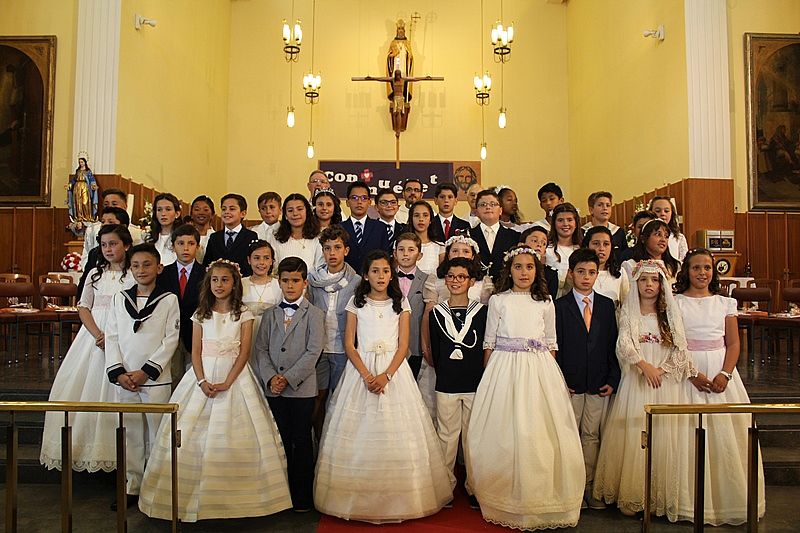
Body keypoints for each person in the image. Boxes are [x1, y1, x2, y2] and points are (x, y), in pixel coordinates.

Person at [138, 259, 292, 522]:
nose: (219, 285)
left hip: (235, 377)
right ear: (208, 284)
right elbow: (195, 351)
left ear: (234, 285)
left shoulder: (243, 313)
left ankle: (239, 502)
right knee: (190, 432)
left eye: (225, 280)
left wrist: (229, 381)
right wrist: (201, 381)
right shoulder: (201, 313)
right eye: (215, 280)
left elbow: (244, 351)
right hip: (203, 376)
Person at [314, 250, 452, 523]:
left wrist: (386, 375)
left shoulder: (401, 304)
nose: (380, 276)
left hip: (393, 371)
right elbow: (349, 344)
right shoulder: (357, 303)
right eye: (375, 271)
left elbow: (403, 346)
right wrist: (367, 375)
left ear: (392, 275)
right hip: (361, 371)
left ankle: (399, 497)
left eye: (385, 271)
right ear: (366, 275)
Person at [467, 244, 584, 530]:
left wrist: (549, 375)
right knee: (505, 429)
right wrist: (489, 376)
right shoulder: (499, 300)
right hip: (504, 368)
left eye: (529, 267)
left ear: (537, 270)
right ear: (509, 270)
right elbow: (489, 341)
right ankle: (504, 493)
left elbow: (552, 342)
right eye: (518, 267)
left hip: (538, 369)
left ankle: (540, 494)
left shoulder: (545, 302)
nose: (524, 272)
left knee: (538, 429)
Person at [593, 259, 712, 519]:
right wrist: (643, 365)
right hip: (638, 381)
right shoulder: (629, 312)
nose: (649, 285)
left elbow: (680, 348)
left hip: (665, 383)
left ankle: (662, 497)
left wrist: (663, 370)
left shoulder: (669, 314)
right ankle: (635, 495)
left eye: (655, 280)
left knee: (664, 437)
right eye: (644, 280)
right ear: (636, 283)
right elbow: (624, 343)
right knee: (637, 436)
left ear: (662, 285)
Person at [674, 249, 766, 525]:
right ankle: (689, 500)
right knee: (688, 435)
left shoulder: (724, 303)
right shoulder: (676, 302)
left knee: (727, 436)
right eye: (695, 268)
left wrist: (725, 373)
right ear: (686, 271)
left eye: (707, 268)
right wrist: (692, 373)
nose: (702, 273)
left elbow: (734, 343)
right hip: (688, 371)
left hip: (721, 369)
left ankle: (729, 499)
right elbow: (675, 343)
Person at [41, 225, 135, 473]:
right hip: (94, 337)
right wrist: (97, 334)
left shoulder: (133, 274)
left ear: (126, 245)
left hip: (124, 336)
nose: (108, 249)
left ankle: (123, 456)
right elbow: (84, 307)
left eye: (113, 244)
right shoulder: (95, 273)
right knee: (85, 386)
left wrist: (116, 336)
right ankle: (85, 448)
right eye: (104, 245)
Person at [104, 243, 180, 509]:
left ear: (159, 267)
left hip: (154, 379)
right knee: (130, 434)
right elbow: (111, 337)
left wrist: (146, 371)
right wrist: (119, 372)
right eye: (135, 265)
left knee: (157, 434)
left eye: (147, 264)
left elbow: (171, 340)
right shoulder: (118, 299)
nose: (141, 270)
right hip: (125, 379)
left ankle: (157, 486)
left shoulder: (169, 299)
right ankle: (131, 486)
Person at [253, 257, 325, 513]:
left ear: (305, 283)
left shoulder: (315, 315)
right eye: (285, 281)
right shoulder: (270, 314)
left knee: (301, 440)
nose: (290, 285)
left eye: (296, 280)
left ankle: (302, 496)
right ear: (279, 282)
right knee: (278, 439)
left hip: (301, 389)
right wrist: (272, 377)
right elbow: (261, 349)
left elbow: (313, 351)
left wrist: (289, 378)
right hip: (274, 390)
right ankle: (280, 495)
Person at [554, 248, 620, 511]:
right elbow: (553, 346)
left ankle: (589, 487)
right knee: (568, 434)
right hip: (569, 383)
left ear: (597, 275)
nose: (586, 277)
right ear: (570, 274)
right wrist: (559, 379)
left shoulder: (605, 305)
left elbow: (612, 344)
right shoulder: (559, 306)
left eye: (591, 272)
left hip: (598, 382)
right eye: (580, 272)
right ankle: (570, 489)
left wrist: (613, 378)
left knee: (591, 435)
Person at [428, 257, 487, 510]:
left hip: (475, 382)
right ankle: (445, 485)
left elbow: (485, 347)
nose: (455, 281)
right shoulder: (437, 313)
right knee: (446, 435)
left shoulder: (482, 312)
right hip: (447, 383)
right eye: (451, 276)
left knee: (474, 437)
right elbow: (436, 351)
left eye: (461, 277)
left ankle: (475, 486)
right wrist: (445, 373)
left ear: (472, 281)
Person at [308, 227, 360, 439]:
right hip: (318, 348)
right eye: (327, 248)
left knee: (339, 398)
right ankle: (319, 442)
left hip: (342, 348)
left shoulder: (356, 281)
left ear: (346, 250)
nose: (332, 253)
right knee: (317, 397)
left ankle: (337, 442)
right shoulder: (312, 280)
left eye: (337, 247)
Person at [157, 224, 204, 388]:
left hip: (197, 334)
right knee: (173, 376)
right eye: (180, 243)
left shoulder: (207, 274)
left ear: (198, 247)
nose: (185, 248)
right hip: (171, 333)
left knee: (194, 378)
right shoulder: (163, 274)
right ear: (173, 246)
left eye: (191, 243)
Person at [393, 232, 436, 416]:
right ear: (394, 253)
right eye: (401, 249)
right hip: (391, 343)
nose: (405, 254)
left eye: (411, 250)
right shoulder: (384, 278)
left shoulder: (428, 280)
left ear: (419, 255)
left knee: (412, 393)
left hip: (416, 344)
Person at [79, 188, 144, 271]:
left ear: (125, 206)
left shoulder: (136, 232)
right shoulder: (92, 229)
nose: (110, 207)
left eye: (114, 204)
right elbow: (86, 255)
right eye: (106, 204)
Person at [76, 206, 130, 298]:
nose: (105, 225)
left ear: (123, 227)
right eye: (103, 222)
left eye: (110, 222)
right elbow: (84, 284)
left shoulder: (135, 255)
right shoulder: (95, 253)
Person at [203, 193, 259, 277]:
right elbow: (207, 263)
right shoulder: (214, 237)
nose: (227, 212)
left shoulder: (251, 236)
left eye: (232, 209)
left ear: (243, 213)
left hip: (243, 283)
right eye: (224, 209)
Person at [468, 189, 519, 281]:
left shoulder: (514, 236)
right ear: (476, 211)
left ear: (500, 210)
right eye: (483, 204)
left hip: (505, 288)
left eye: (493, 204)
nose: (488, 207)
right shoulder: (468, 236)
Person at [341, 181, 391, 273]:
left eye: (364, 198)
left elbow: (385, 258)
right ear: (347, 202)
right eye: (354, 198)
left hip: (372, 281)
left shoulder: (380, 228)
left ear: (369, 202)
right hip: (345, 280)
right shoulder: (339, 228)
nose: (359, 202)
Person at [267, 193, 324, 272]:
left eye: (300, 209)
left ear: (307, 212)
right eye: (290, 210)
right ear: (285, 215)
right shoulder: (275, 237)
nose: (295, 214)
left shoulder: (318, 237)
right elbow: (273, 267)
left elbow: (320, 268)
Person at [241, 239, 282, 344]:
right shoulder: (241, 284)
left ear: (272, 261)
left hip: (271, 333)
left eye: (266, 258)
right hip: (244, 333)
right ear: (249, 260)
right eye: (256, 258)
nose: (261, 262)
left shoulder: (279, 285)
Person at [582, 226, 629, 305]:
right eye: (596, 244)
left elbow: (626, 305)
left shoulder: (620, 272)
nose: (601, 248)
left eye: (606, 244)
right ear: (587, 246)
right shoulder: (580, 273)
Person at [545, 202, 583, 297]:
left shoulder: (582, 249)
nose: (565, 224)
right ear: (554, 223)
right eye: (560, 220)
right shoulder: (547, 250)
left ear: (576, 223)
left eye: (570, 220)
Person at [519, 225, 559, 299]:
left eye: (543, 243)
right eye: (534, 241)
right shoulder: (512, 269)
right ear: (521, 245)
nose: (539, 245)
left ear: (544, 252)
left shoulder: (550, 274)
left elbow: (549, 302)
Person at [409, 200, 444, 276]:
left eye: (425, 215)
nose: (421, 219)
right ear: (411, 219)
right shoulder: (400, 244)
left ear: (430, 220)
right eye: (416, 215)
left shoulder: (440, 247)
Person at [648, 196, 688, 262]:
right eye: (658, 211)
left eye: (666, 211)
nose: (662, 214)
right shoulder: (646, 236)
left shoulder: (679, 237)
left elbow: (684, 262)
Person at [146, 192, 181, 265]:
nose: (163, 214)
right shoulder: (148, 237)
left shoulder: (182, 237)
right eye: (159, 210)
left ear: (177, 214)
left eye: (168, 209)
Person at [67, 155, 98, 224]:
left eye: (82, 162)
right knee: (78, 202)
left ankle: (87, 217)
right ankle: (79, 217)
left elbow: (92, 179)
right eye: (80, 162)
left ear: (85, 163)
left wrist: (93, 185)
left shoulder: (88, 171)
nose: (81, 163)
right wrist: (70, 185)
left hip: (85, 187)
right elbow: (74, 180)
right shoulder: (77, 171)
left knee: (85, 202)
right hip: (77, 187)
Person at [187, 195, 215, 264]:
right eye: (197, 209)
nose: (201, 213)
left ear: (212, 214)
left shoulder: (217, 237)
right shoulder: (185, 235)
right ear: (191, 214)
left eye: (205, 210)